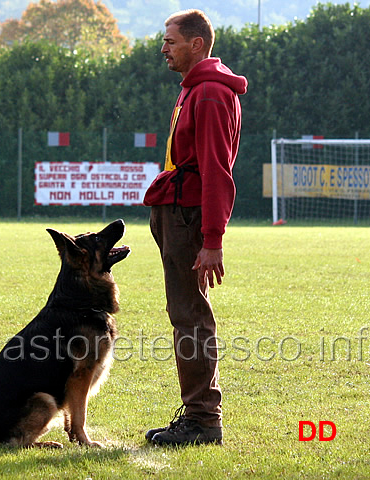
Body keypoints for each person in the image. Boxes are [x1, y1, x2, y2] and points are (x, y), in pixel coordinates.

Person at [142, 9, 248, 446]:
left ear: (197, 44)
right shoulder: (195, 89)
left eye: (170, 41)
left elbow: (217, 171)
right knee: (186, 315)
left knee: (190, 317)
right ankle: (198, 415)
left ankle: (203, 420)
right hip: (176, 211)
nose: (163, 48)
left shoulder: (208, 93)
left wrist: (212, 241)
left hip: (188, 216)